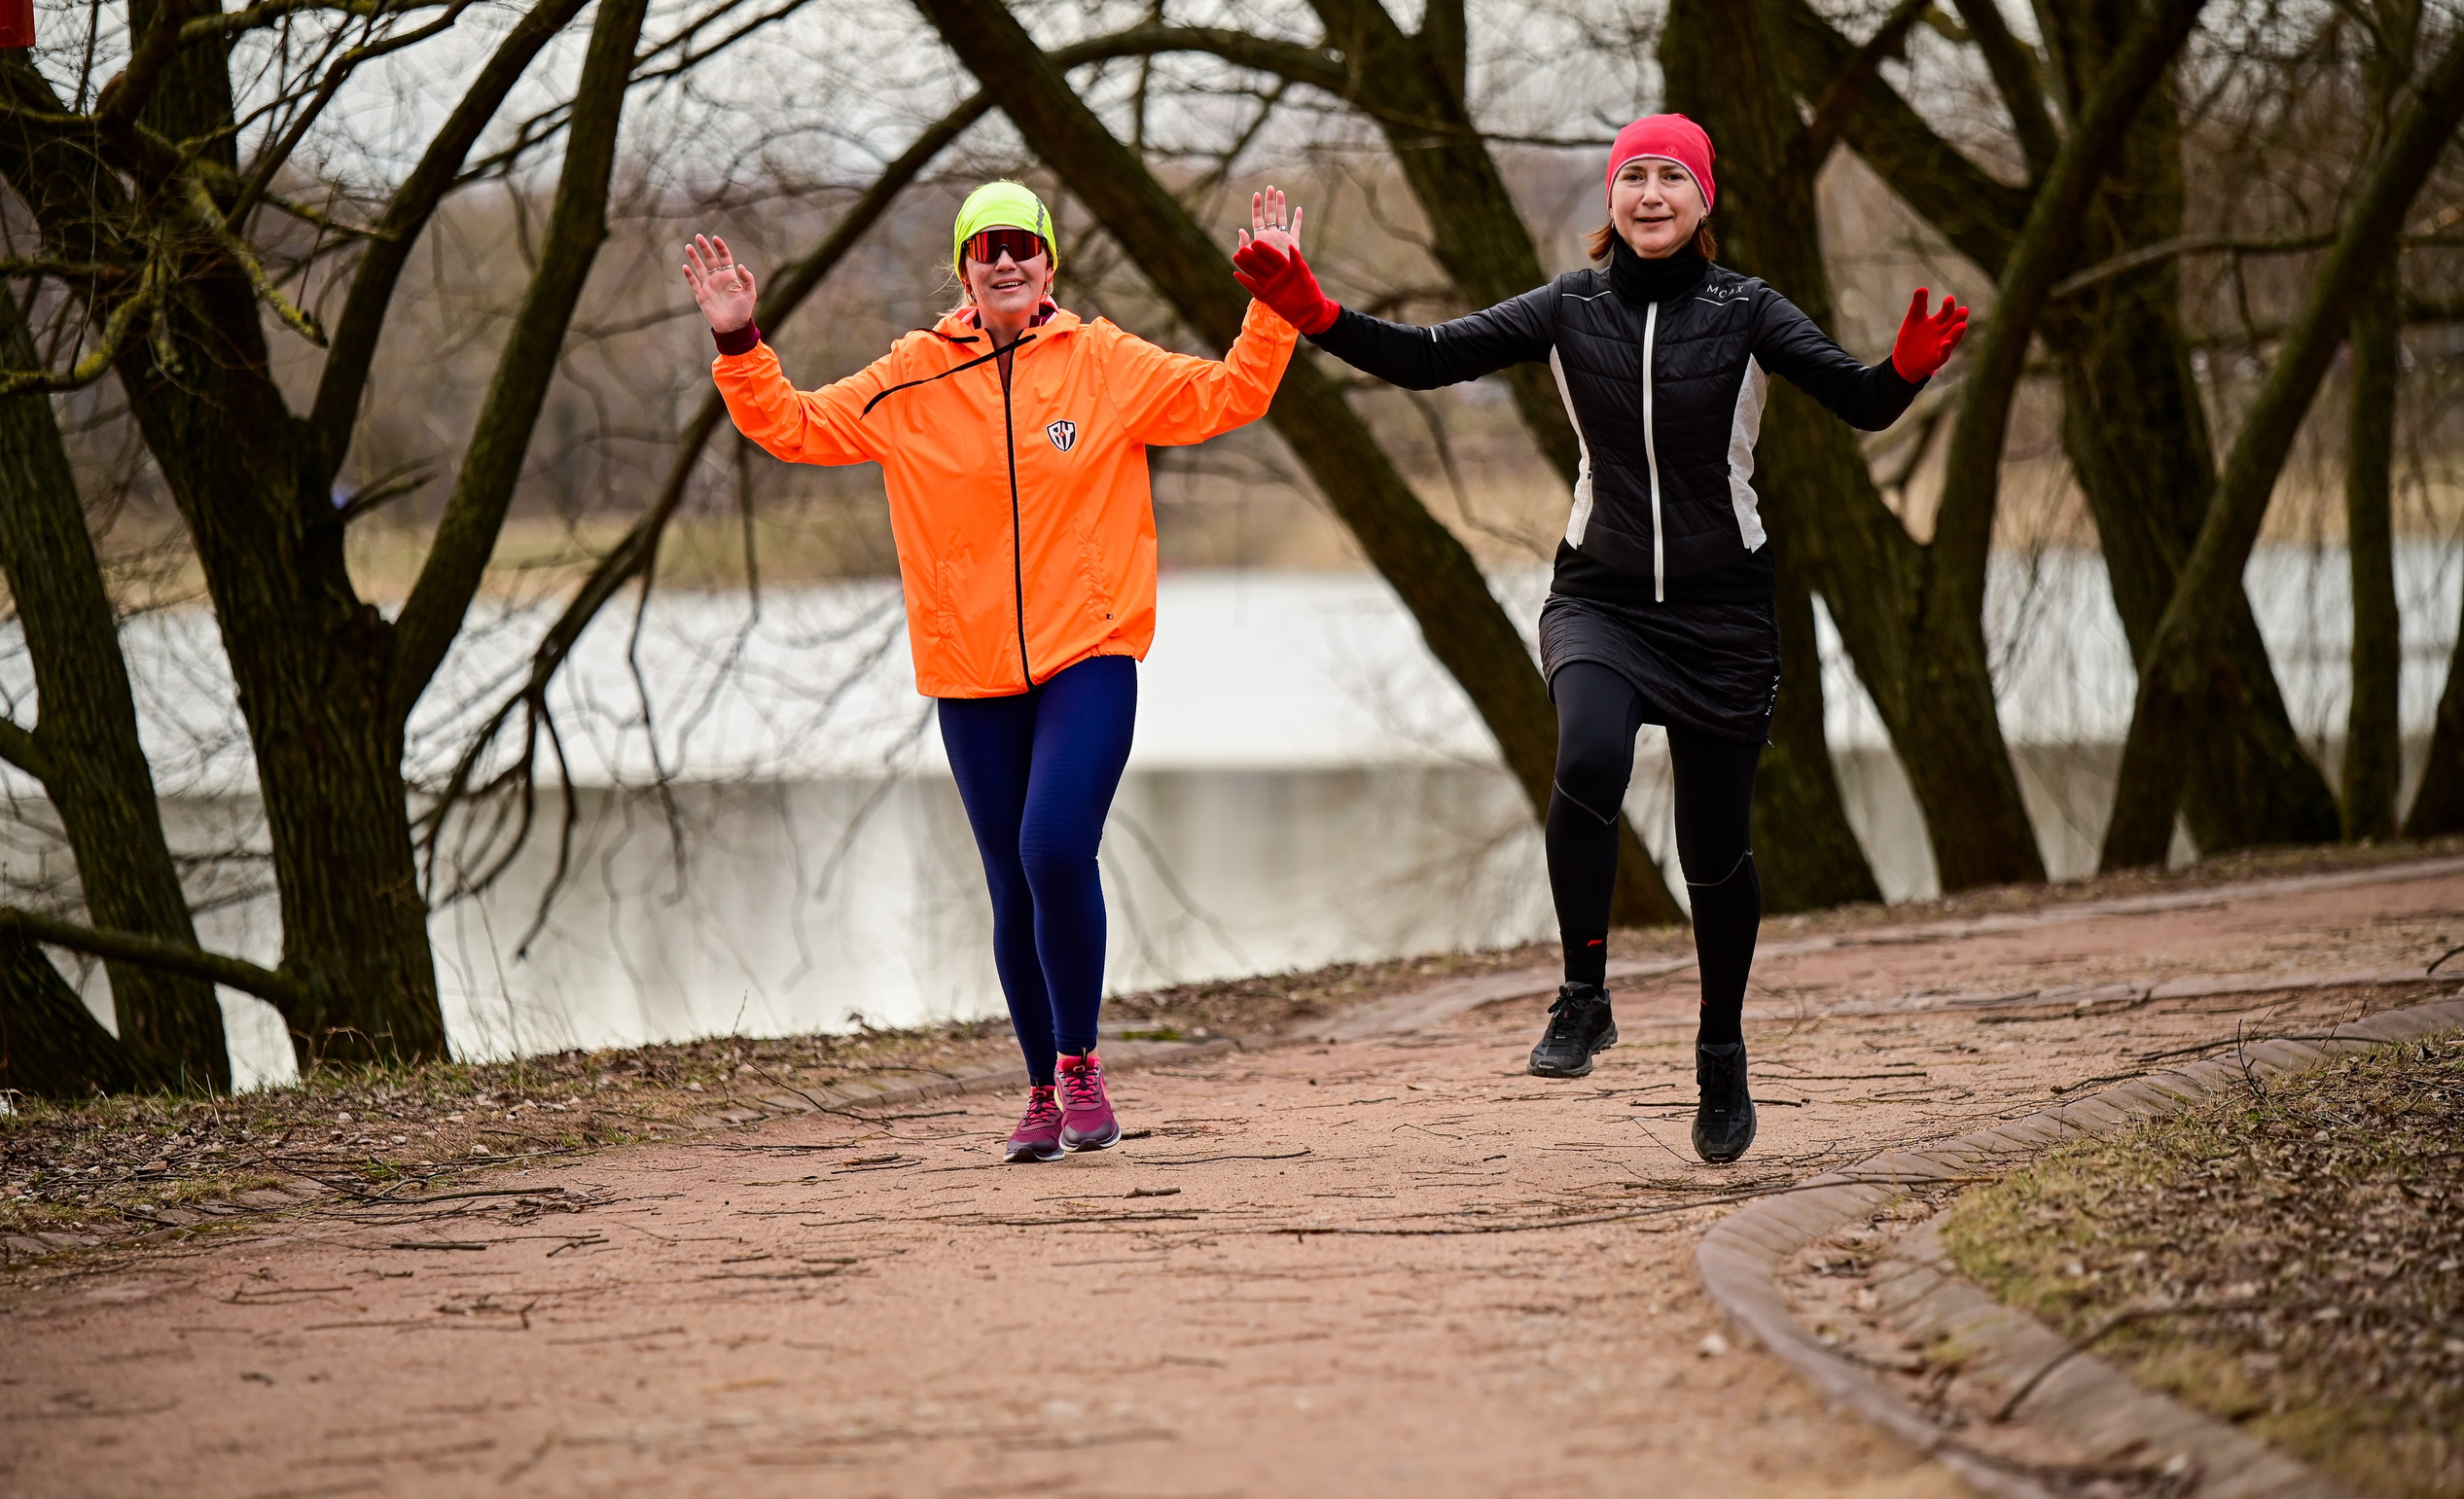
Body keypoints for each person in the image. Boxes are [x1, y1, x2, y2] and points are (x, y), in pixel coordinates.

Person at [1231, 115, 1966, 1163]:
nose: (1653, 194)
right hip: (1602, 598)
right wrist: (1309, 309)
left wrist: (1901, 371)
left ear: (1702, 201)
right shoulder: (1567, 307)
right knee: (1585, 756)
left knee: (1716, 855)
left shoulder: (1746, 308)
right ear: (1610, 199)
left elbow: (1858, 398)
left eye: (1673, 177)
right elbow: (1429, 357)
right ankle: (1583, 992)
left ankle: (1721, 1049)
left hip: (1722, 612)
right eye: (1635, 177)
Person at [686, 181, 1305, 1162]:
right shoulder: (909, 377)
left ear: (1049, 264)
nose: (1007, 261)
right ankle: (1037, 1090)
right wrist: (738, 342)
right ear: (964, 269)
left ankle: (1080, 1064)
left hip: (1087, 650)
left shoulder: (1103, 363)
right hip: (969, 671)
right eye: (988, 247)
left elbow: (1232, 391)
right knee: (1012, 883)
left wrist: (1274, 296)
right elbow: (793, 426)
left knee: (1056, 846)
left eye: (1024, 245)